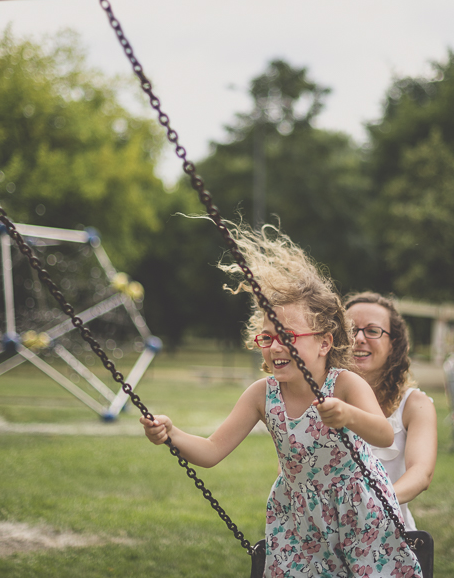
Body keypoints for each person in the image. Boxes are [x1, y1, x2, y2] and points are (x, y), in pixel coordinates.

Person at [141, 225, 422, 578]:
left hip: (360, 511)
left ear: (323, 342)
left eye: (288, 337)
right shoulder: (262, 395)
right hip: (297, 520)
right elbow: (212, 451)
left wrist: (347, 414)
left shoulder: (345, 385)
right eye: (267, 337)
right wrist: (171, 434)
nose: (275, 347)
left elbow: (383, 434)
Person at [344, 292, 437, 531]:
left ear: (392, 343)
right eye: (351, 329)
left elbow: (421, 473)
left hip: (388, 531)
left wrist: (377, 502)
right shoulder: (319, 397)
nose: (359, 338)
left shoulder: (415, 405)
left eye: (372, 331)